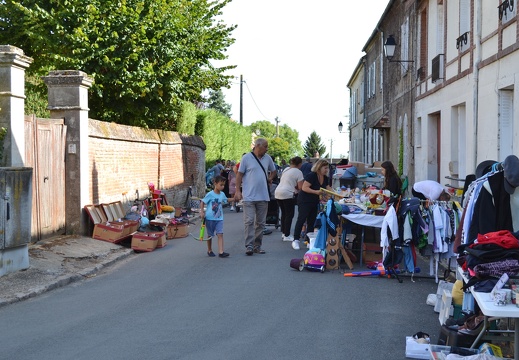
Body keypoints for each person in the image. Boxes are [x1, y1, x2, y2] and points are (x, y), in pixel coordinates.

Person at [234, 138, 277, 255]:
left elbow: (274, 171)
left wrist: (270, 178)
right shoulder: (246, 158)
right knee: (249, 221)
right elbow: (239, 175)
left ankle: (257, 246)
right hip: (249, 196)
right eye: (265, 146)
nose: (267, 149)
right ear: (258, 145)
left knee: (261, 223)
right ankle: (249, 246)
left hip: (263, 196)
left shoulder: (267, 158)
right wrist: (237, 191)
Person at [291, 159, 333, 250]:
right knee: (301, 219)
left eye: (327, 168)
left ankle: (308, 240)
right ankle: (296, 240)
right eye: (325, 168)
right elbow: (304, 187)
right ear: (319, 167)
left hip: (314, 201)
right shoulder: (312, 176)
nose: (327, 170)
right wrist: (316, 192)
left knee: (312, 221)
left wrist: (338, 195)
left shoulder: (325, 178)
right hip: (304, 200)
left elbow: (328, 188)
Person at [200, 175, 234, 258]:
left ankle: (221, 252)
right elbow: (202, 202)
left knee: (220, 234)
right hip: (210, 218)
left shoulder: (222, 194)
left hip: (219, 218)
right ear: (215, 183)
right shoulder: (210, 194)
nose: (222, 187)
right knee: (210, 235)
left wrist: (234, 199)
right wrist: (201, 212)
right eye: (221, 185)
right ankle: (209, 250)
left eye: (223, 185)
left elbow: (226, 200)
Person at [275, 156, 304, 242]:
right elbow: (300, 187)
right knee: (289, 214)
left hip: (278, 192)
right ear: (299, 164)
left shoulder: (286, 169)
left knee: (284, 213)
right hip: (287, 193)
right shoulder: (298, 172)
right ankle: (287, 235)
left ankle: (284, 233)